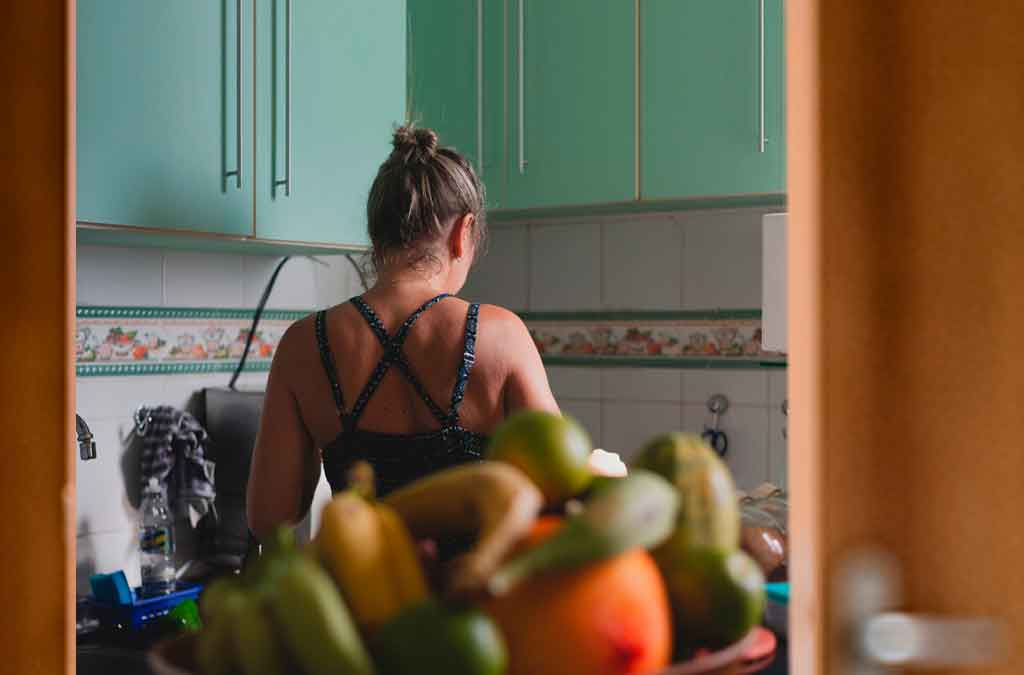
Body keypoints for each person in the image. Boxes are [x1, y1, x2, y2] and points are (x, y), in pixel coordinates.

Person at [247, 125, 559, 539]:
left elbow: (270, 517)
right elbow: (560, 482)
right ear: (463, 234)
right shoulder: (499, 336)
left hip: (361, 599)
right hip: (472, 596)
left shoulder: (304, 344)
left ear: (377, 237)